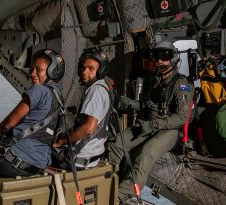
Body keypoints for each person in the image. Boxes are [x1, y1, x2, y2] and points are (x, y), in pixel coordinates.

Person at [107, 40, 195, 203]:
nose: (160, 60)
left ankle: (121, 195)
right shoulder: (155, 80)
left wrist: (154, 124)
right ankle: (109, 180)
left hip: (169, 130)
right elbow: (149, 106)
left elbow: (183, 117)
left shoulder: (182, 84)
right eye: (157, 56)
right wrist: (131, 103)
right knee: (117, 142)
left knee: (145, 155)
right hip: (149, 126)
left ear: (173, 59)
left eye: (165, 56)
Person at [0, 49, 65, 177]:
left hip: (12, 163)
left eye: (38, 69)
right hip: (36, 166)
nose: (32, 73)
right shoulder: (58, 97)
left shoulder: (39, 90)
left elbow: (8, 123)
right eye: (32, 69)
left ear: (52, 71)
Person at [52, 49, 114, 169]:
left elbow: (89, 128)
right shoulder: (102, 88)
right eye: (83, 68)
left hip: (80, 159)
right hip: (92, 156)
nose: (85, 72)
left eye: (91, 69)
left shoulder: (96, 90)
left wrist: (62, 141)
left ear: (100, 71)